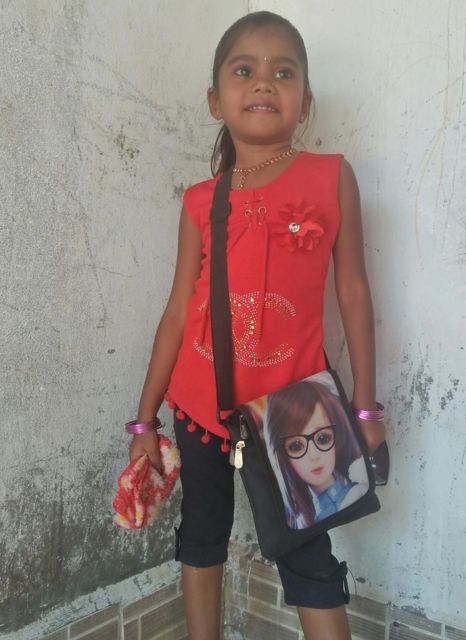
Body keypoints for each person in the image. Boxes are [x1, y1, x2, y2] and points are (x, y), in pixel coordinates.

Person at [127, 10, 385, 640]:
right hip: (200, 406)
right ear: (216, 100)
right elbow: (177, 309)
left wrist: (365, 408)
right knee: (201, 534)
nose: (264, 82)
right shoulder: (200, 199)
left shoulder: (332, 176)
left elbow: (353, 291)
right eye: (244, 71)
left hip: (292, 415)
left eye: (283, 72)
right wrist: (144, 419)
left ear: (305, 102)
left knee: (308, 554)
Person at [263, 375, 369, 529]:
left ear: (337, 435)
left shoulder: (360, 489)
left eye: (323, 438)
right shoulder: (300, 524)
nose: (314, 456)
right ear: (282, 455)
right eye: (296, 446)